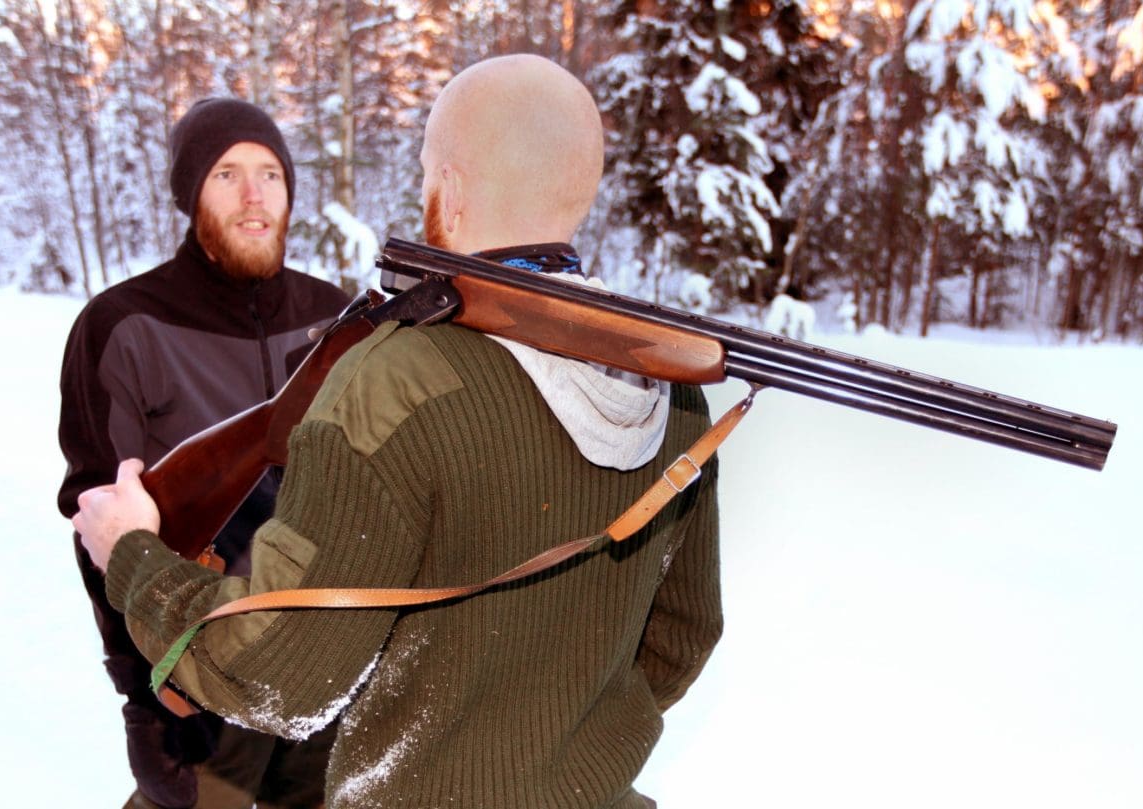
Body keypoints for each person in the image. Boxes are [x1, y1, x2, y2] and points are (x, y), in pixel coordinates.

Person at [74, 55, 722, 808]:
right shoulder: (669, 388)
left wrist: (133, 556)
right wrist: (556, 750)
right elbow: (682, 632)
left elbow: (281, 677)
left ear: (446, 180)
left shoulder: (396, 378)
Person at [57, 98, 352, 808]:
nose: (255, 196)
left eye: (270, 174)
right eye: (227, 174)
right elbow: (99, 522)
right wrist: (146, 692)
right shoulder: (123, 325)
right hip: (199, 683)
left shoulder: (335, 316)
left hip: (326, 671)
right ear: (190, 195)